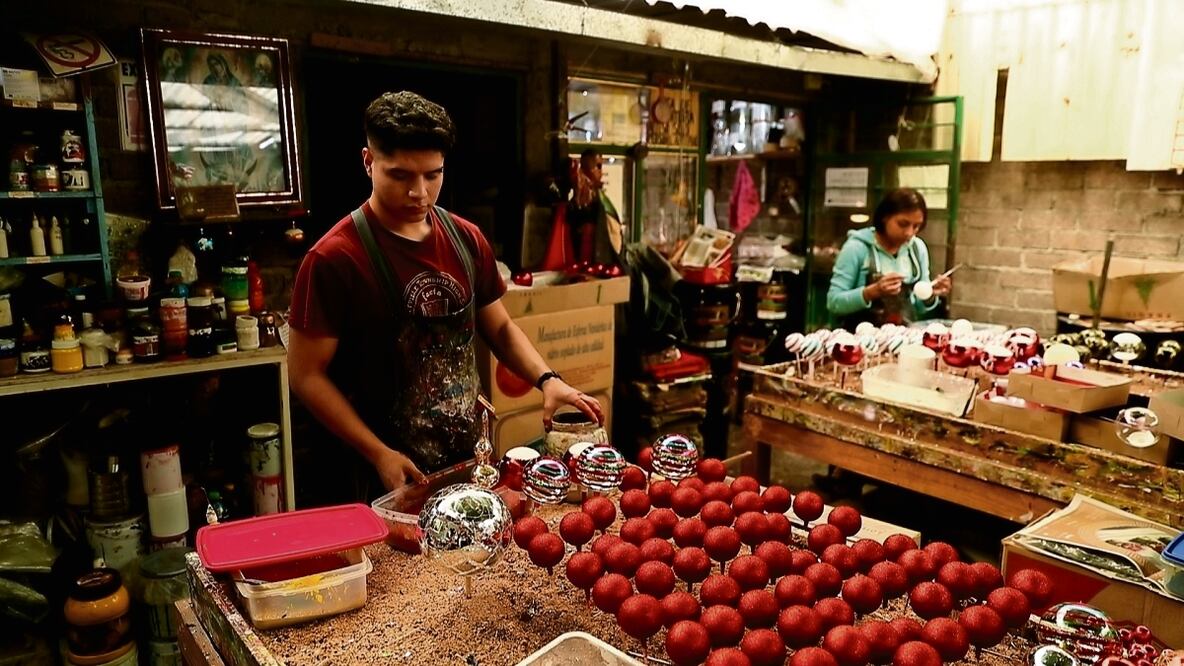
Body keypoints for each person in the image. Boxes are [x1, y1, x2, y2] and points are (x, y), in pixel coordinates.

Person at [289, 91, 602, 496]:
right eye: (400, 175)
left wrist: (546, 379)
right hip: (381, 474)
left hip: (468, 461)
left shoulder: (466, 240)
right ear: (368, 162)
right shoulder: (333, 259)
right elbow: (305, 375)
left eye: (432, 175)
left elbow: (501, 327)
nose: (419, 192)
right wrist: (378, 453)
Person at [826, 188, 951, 328]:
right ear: (885, 217)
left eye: (916, 226)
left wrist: (930, 293)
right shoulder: (857, 248)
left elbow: (920, 307)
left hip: (902, 336)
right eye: (903, 224)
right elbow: (834, 302)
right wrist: (871, 292)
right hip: (859, 338)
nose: (909, 233)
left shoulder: (917, 249)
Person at [567, 148, 623, 265]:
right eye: (598, 166)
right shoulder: (585, 195)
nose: (601, 172)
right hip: (602, 255)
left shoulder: (596, 195)